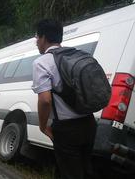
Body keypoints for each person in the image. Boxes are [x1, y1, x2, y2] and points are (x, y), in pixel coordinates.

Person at [32, 19, 97, 179]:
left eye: (36, 38)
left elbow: (45, 100)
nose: (36, 43)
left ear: (43, 38)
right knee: (85, 171)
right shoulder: (78, 55)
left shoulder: (42, 62)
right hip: (89, 124)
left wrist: (42, 126)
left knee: (69, 174)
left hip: (67, 130)